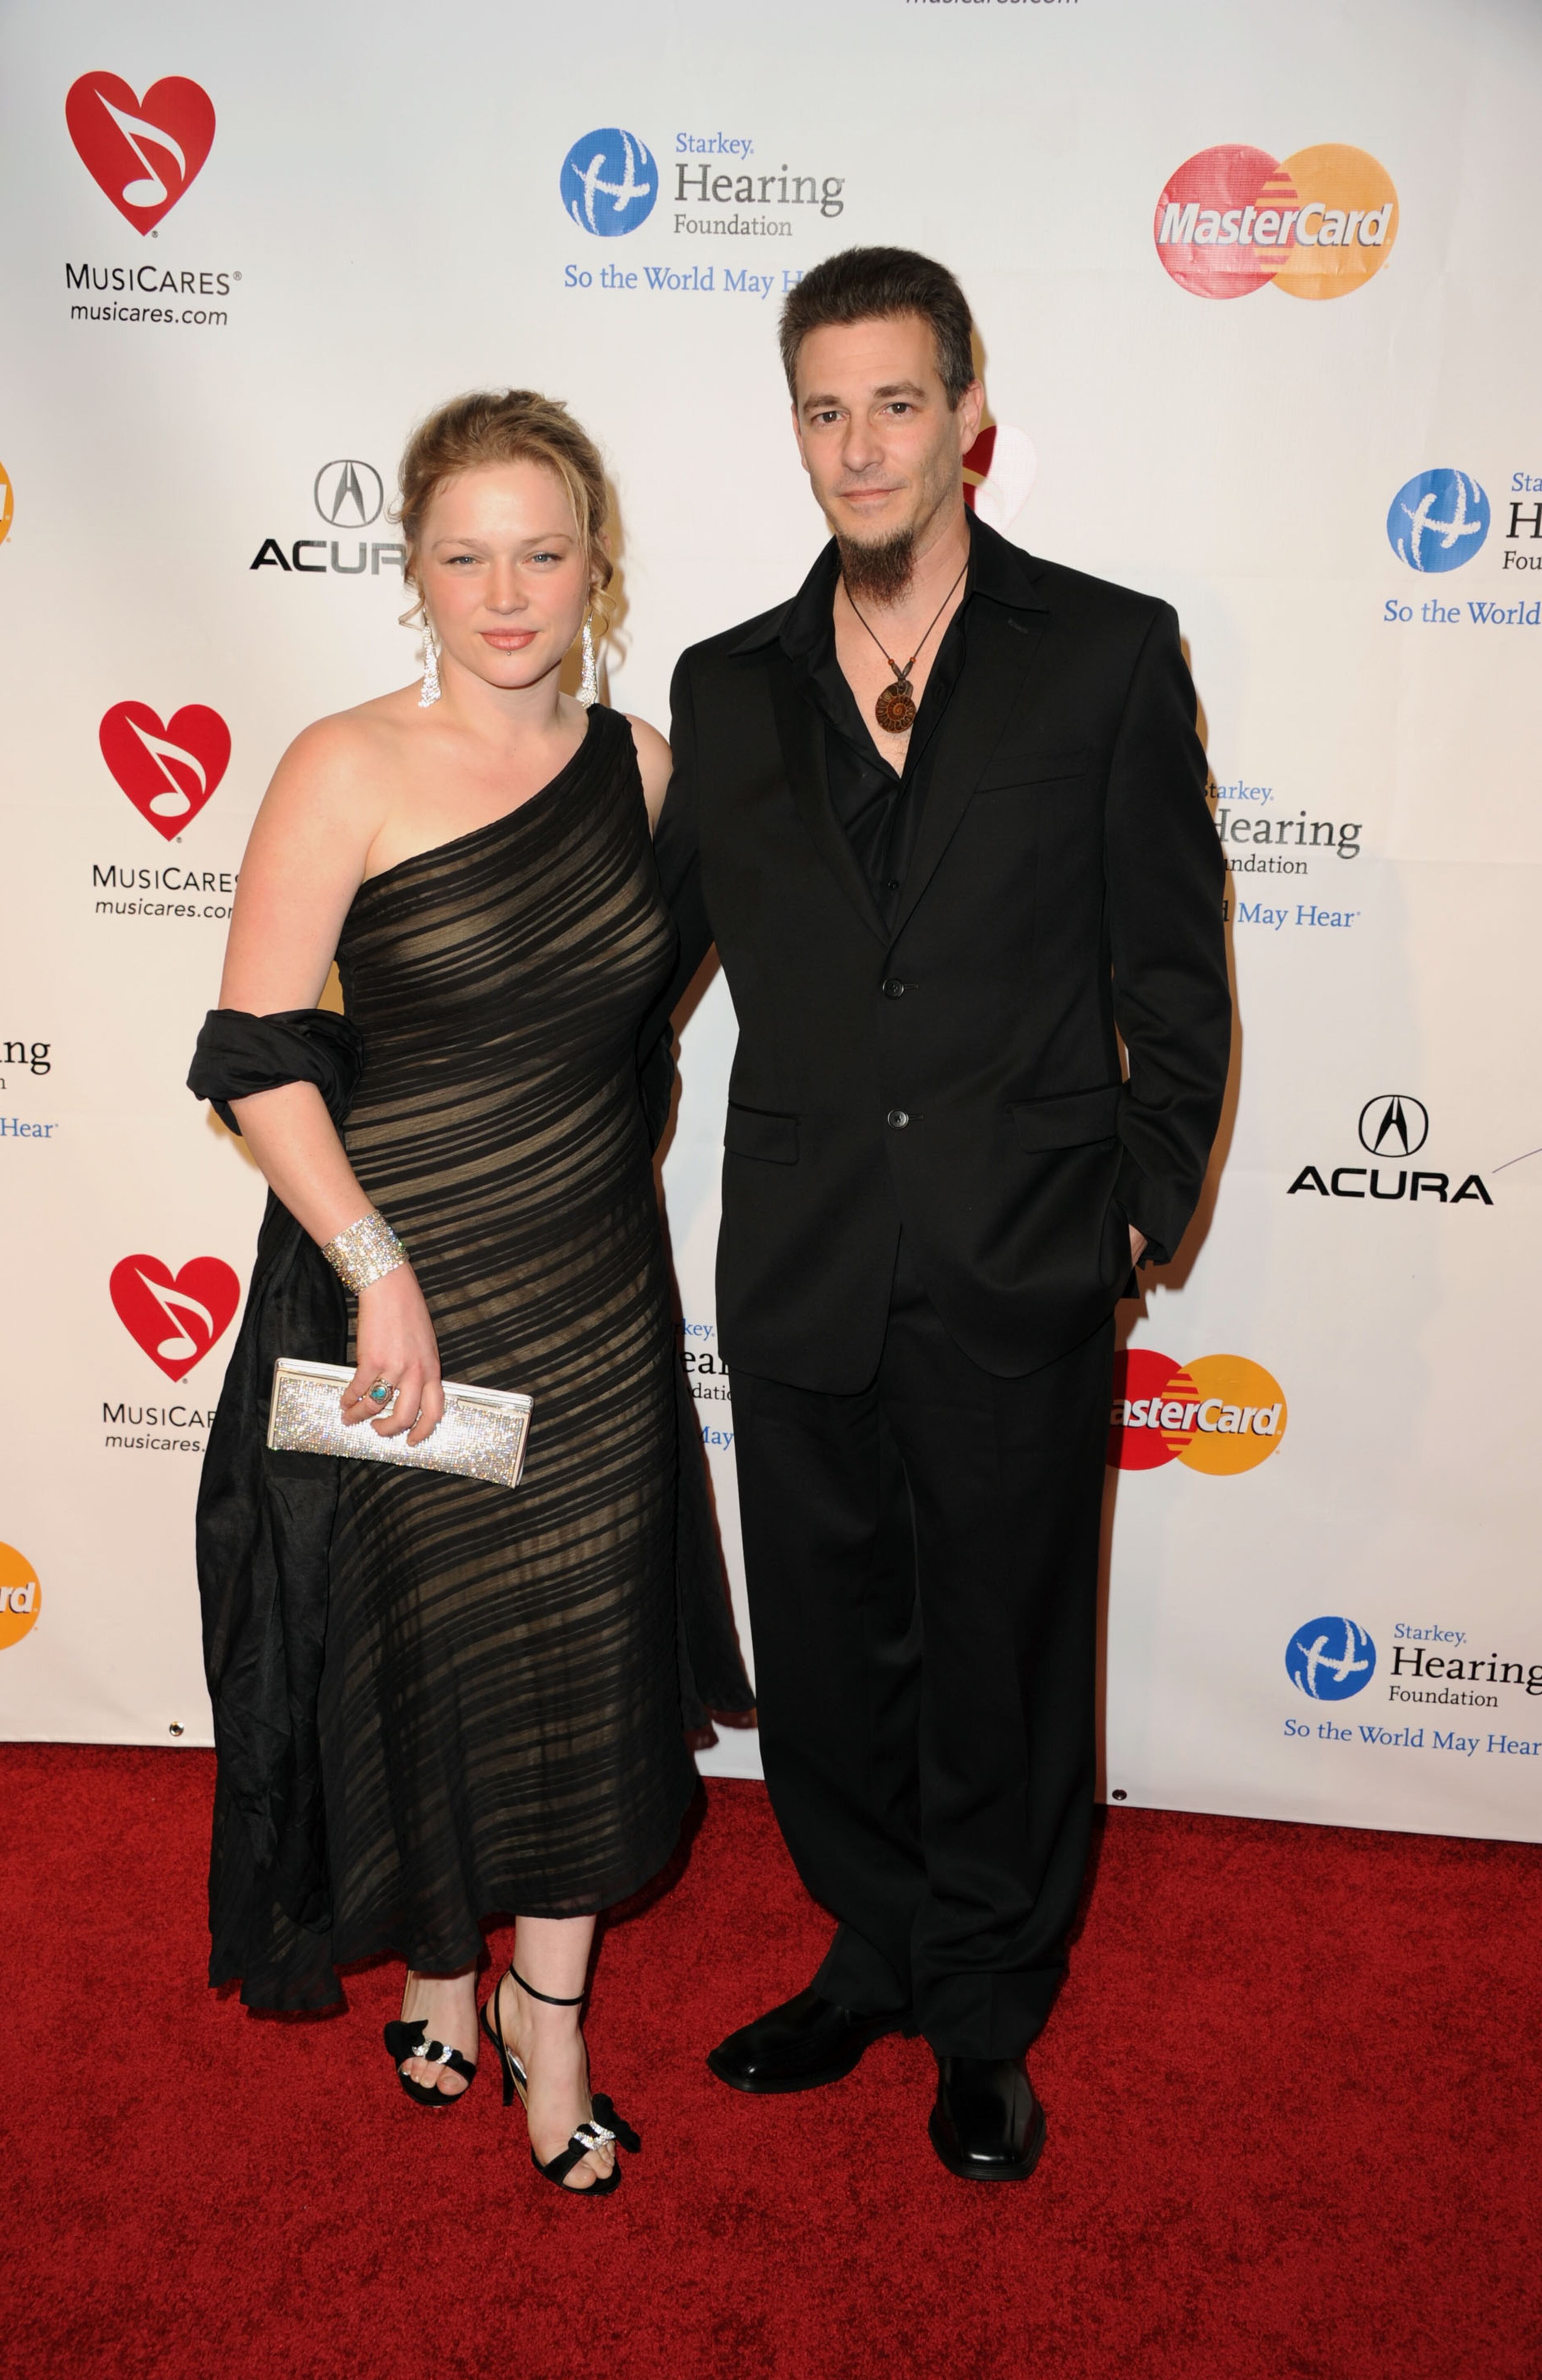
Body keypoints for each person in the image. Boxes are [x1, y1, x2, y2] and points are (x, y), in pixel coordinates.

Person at [646, 249, 1231, 2180]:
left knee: (1004, 1650)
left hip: (1023, 1260)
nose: (861, 445)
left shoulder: (1107, 653)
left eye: (898, 403)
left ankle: (985, 2001)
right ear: (794, 430)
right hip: (807, 1264)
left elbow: (1175, 969)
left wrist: (1132, 1218)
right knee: (828, 1649)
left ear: (969, 418)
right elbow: (638, 973)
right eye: (826, 408)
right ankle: (873, 1944)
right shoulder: (727, 689)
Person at [189, 389, 721, 2195]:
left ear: (597, 563)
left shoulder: (648, 776)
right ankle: (434, 1954)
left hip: (592, 1289)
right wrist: (378, 1268)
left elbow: (631, 1031)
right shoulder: (343, 762)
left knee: (579, 1653)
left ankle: (543, 2015)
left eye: (544, 552)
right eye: (465, 554)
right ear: (410, 566)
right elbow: (257, 1055)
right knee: (421, 1662)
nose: (508, 592)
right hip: (398, 1291)